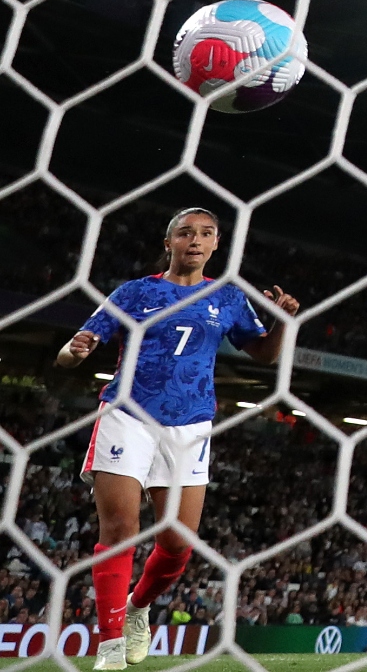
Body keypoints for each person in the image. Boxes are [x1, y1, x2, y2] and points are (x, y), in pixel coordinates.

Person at [55, 208, 298, 670]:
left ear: (216, 244)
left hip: (190, 425)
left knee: (177, 544)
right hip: (127, 414)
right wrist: (74, 351)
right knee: (120, 529)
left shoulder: (228, 296)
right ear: (169, 243)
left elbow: (264, 354)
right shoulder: (135, 292)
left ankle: (138, 607)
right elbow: (73, 350)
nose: (196, 240)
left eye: (206, 233)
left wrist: (284, 321)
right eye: (186, 233)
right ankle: (109, 646)